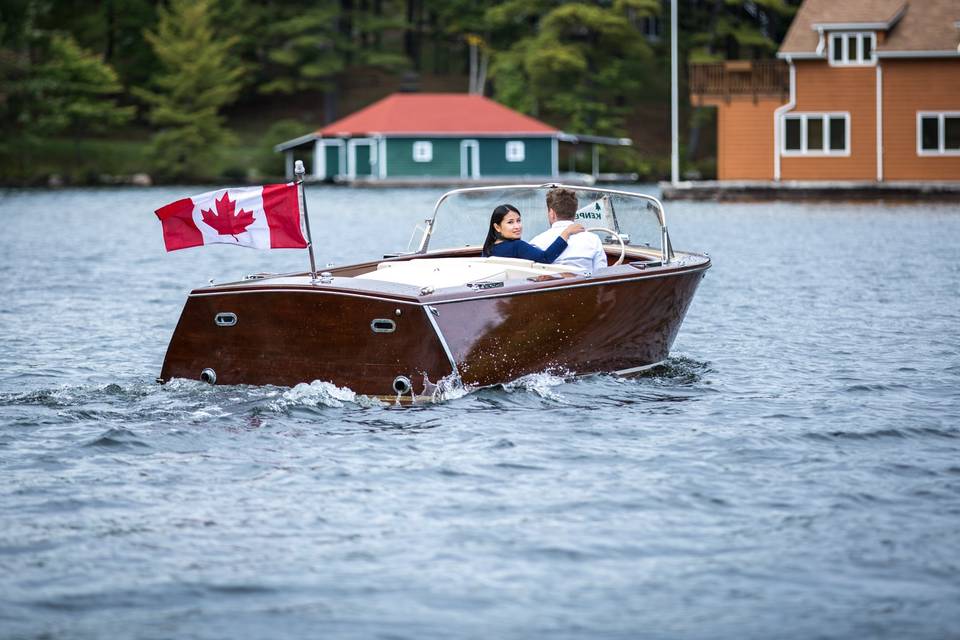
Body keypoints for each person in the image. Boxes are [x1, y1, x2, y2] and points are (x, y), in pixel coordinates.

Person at [530, 187, 608, 273]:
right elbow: (601, 273)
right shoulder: (593, 240)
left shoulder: (537, 242)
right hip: (585, 286)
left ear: (552, 213)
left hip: (553, 286)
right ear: (575, 212)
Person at [481, 204, 585, 263]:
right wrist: (566, 232)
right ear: (497, 227)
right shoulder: (517, 246)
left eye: (519, 220)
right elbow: (545, 258)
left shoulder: (488, 250)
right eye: (510, 222)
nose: (517, 226)